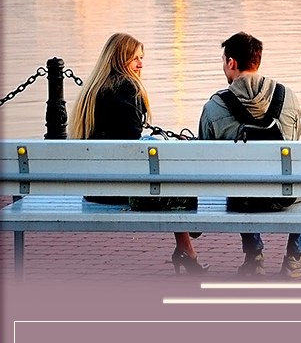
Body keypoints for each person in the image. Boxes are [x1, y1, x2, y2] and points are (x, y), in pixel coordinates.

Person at [69, 32, 208, 276]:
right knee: (177, 182)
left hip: (93, 188)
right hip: (118, 191)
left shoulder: (92, 92)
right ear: (120, 60)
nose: (141, 64)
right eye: (135, 59)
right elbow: (134, 151)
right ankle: (190, 227)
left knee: (167, 171)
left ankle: (186, 249)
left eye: (141, 58)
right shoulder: (128, 92)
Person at [198, 31, 301, 279]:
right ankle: (296, 257)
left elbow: (204, 158)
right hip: (284, 195)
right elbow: (295, 141)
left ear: (231, 62)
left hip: (241, 199)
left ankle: (254, 257)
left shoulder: (213, 107)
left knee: (240, 177)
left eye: (223, 61)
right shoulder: (288, 96)